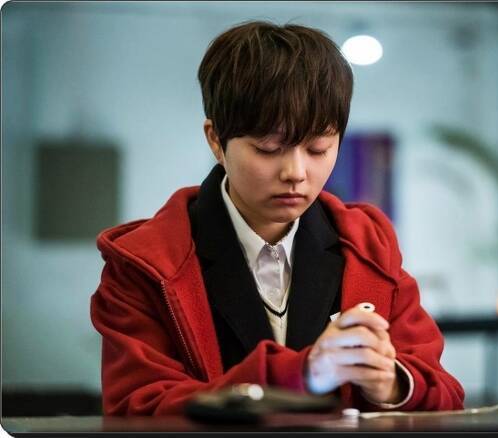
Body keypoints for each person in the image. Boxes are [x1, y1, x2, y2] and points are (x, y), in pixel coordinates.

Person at [90, 21, 464, 416]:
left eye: (318, 148)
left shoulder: (368, 246)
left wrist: (391, 382)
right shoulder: (147, 265)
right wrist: (301, 373)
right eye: (268, 149)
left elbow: (446, 396)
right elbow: (137, 408)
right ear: (216, 139)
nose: (296, 173)